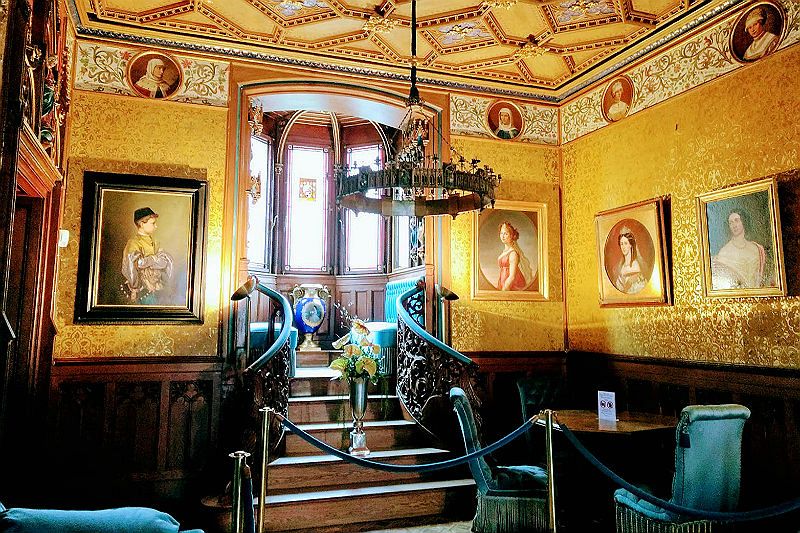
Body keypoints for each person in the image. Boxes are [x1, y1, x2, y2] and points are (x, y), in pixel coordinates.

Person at [122, 207, 174, 304]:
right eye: (153, 223)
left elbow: (163, 262)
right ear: (142, 224)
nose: (156, 226)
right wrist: (154, 259)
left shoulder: (155, 241)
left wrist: (150, 261)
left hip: (157, 286)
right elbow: (136, 264)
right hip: (143, 288)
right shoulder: (134, 243)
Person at [711, 208, 766, 289]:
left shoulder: (757, 248)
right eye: (731, 223)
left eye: (737, 220)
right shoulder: (725, 251)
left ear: (743, 222)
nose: (734, 225)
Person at [496, 222, 533, 291]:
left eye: (506, 234)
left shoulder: (513, 253)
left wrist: (505, 288)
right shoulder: (504, 252)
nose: (502, 236)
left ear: (512, 236)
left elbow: (512, 276)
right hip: (502, 281)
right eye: (501, 233)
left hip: (512, 284)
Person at [613, 226, 646, 294]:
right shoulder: (621, 266)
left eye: (625, 243)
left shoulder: (635, 265)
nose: (623, 247)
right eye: (621, 244)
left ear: (630, 245)